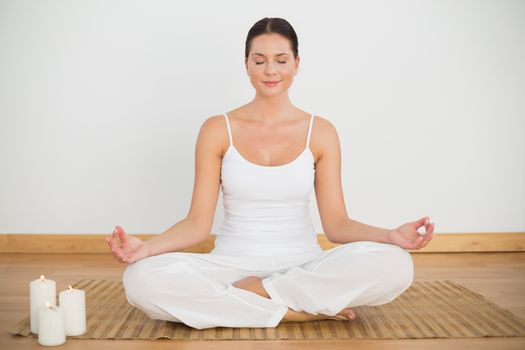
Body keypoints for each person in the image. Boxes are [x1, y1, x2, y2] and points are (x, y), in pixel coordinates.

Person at [106, 17, 435, 330]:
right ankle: (294, 313)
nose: (270, 70)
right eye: (259, 60)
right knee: (140, 279)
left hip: (303, 267)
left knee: (397, 264)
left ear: (296, 63)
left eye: (281, 59)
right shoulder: (217, 130)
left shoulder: (320, 131)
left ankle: (258, 295)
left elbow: (336, 225)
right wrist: (145, 249)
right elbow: (196, 224)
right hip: (231, 265)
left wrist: (391, 236)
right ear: (246, 64)